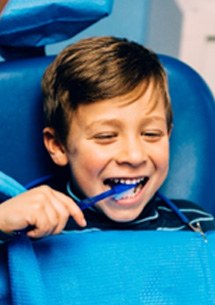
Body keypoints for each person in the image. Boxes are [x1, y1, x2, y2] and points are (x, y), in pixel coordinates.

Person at [0, 36, 214, 241]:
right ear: (59, 146)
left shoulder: (197, 225)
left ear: (168, 135)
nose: (134, 156)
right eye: (106, 136)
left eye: (151, 134)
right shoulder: (27, 229)